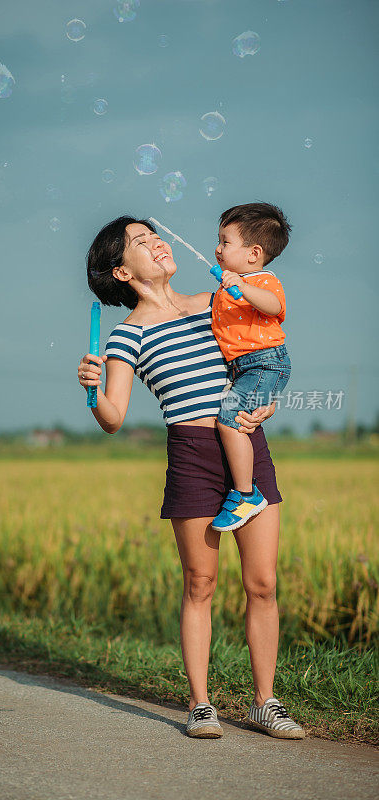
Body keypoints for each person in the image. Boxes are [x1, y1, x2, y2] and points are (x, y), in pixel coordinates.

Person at [77, 215, 305, 740]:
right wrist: (92, 390)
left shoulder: (216, 302)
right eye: (140, 241)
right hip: (191, 455)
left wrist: (265, 403)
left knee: (263, 583)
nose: (156, 242)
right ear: (120, 269)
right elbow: (114, 418)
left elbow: (264, 355)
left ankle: (266, 702)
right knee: (200, 583)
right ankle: (201, 705)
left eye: (153, 234)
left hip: (245, 445)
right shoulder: (126, 334)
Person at [210, 202, 292, 533]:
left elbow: (275, 306)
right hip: (248, 367)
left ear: (253, 253)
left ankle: (246, 494)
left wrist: (243, 287)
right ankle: (244, 491)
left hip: (265, 362)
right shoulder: (228, 288)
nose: (217, 249)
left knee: (229, 420)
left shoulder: (263, 280)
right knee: (236, 420)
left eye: (225, 241)